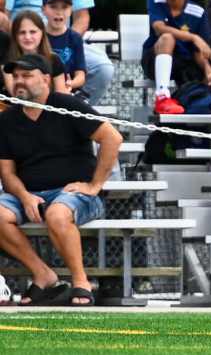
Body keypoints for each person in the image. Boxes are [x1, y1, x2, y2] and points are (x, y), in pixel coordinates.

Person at [0, 54, 122, 307]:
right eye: (16, 77)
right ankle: (43, 274)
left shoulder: (67, 105)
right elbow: (8, 174)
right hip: (29, 194)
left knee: (56, 213)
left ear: (45, 79)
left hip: (75, 194)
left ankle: (81, 282)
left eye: (27, 75)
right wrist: (24, 197)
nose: (19, 81)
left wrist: (94, 185)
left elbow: (112, 138)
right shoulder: (7, 119)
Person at [141, 0, 211, 115]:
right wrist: (194, 37)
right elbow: (159, 28)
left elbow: (198, 52)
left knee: (207, 77)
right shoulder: (155, 0)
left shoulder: (198, 12)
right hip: (154, 60)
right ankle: (162, 96)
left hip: (183, 64)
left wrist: (208, 68)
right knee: (168, 37)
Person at [5, 11, 68, 95]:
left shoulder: (54, 60)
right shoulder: (8, 60)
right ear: (15, 36)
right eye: (22, 32)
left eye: (33, 32)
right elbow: (15, 94)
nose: (27, 37)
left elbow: (61, 94)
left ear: (42, 33)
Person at [41, 0, 86, 95]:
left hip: (69, 91)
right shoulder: (38, 36)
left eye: (64, 7)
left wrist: (70, 83)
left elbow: (81, 74)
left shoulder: (75, 38)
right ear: (43, 10)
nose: (59, 12)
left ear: (71, 10)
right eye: (53, 7)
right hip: (42, 90)